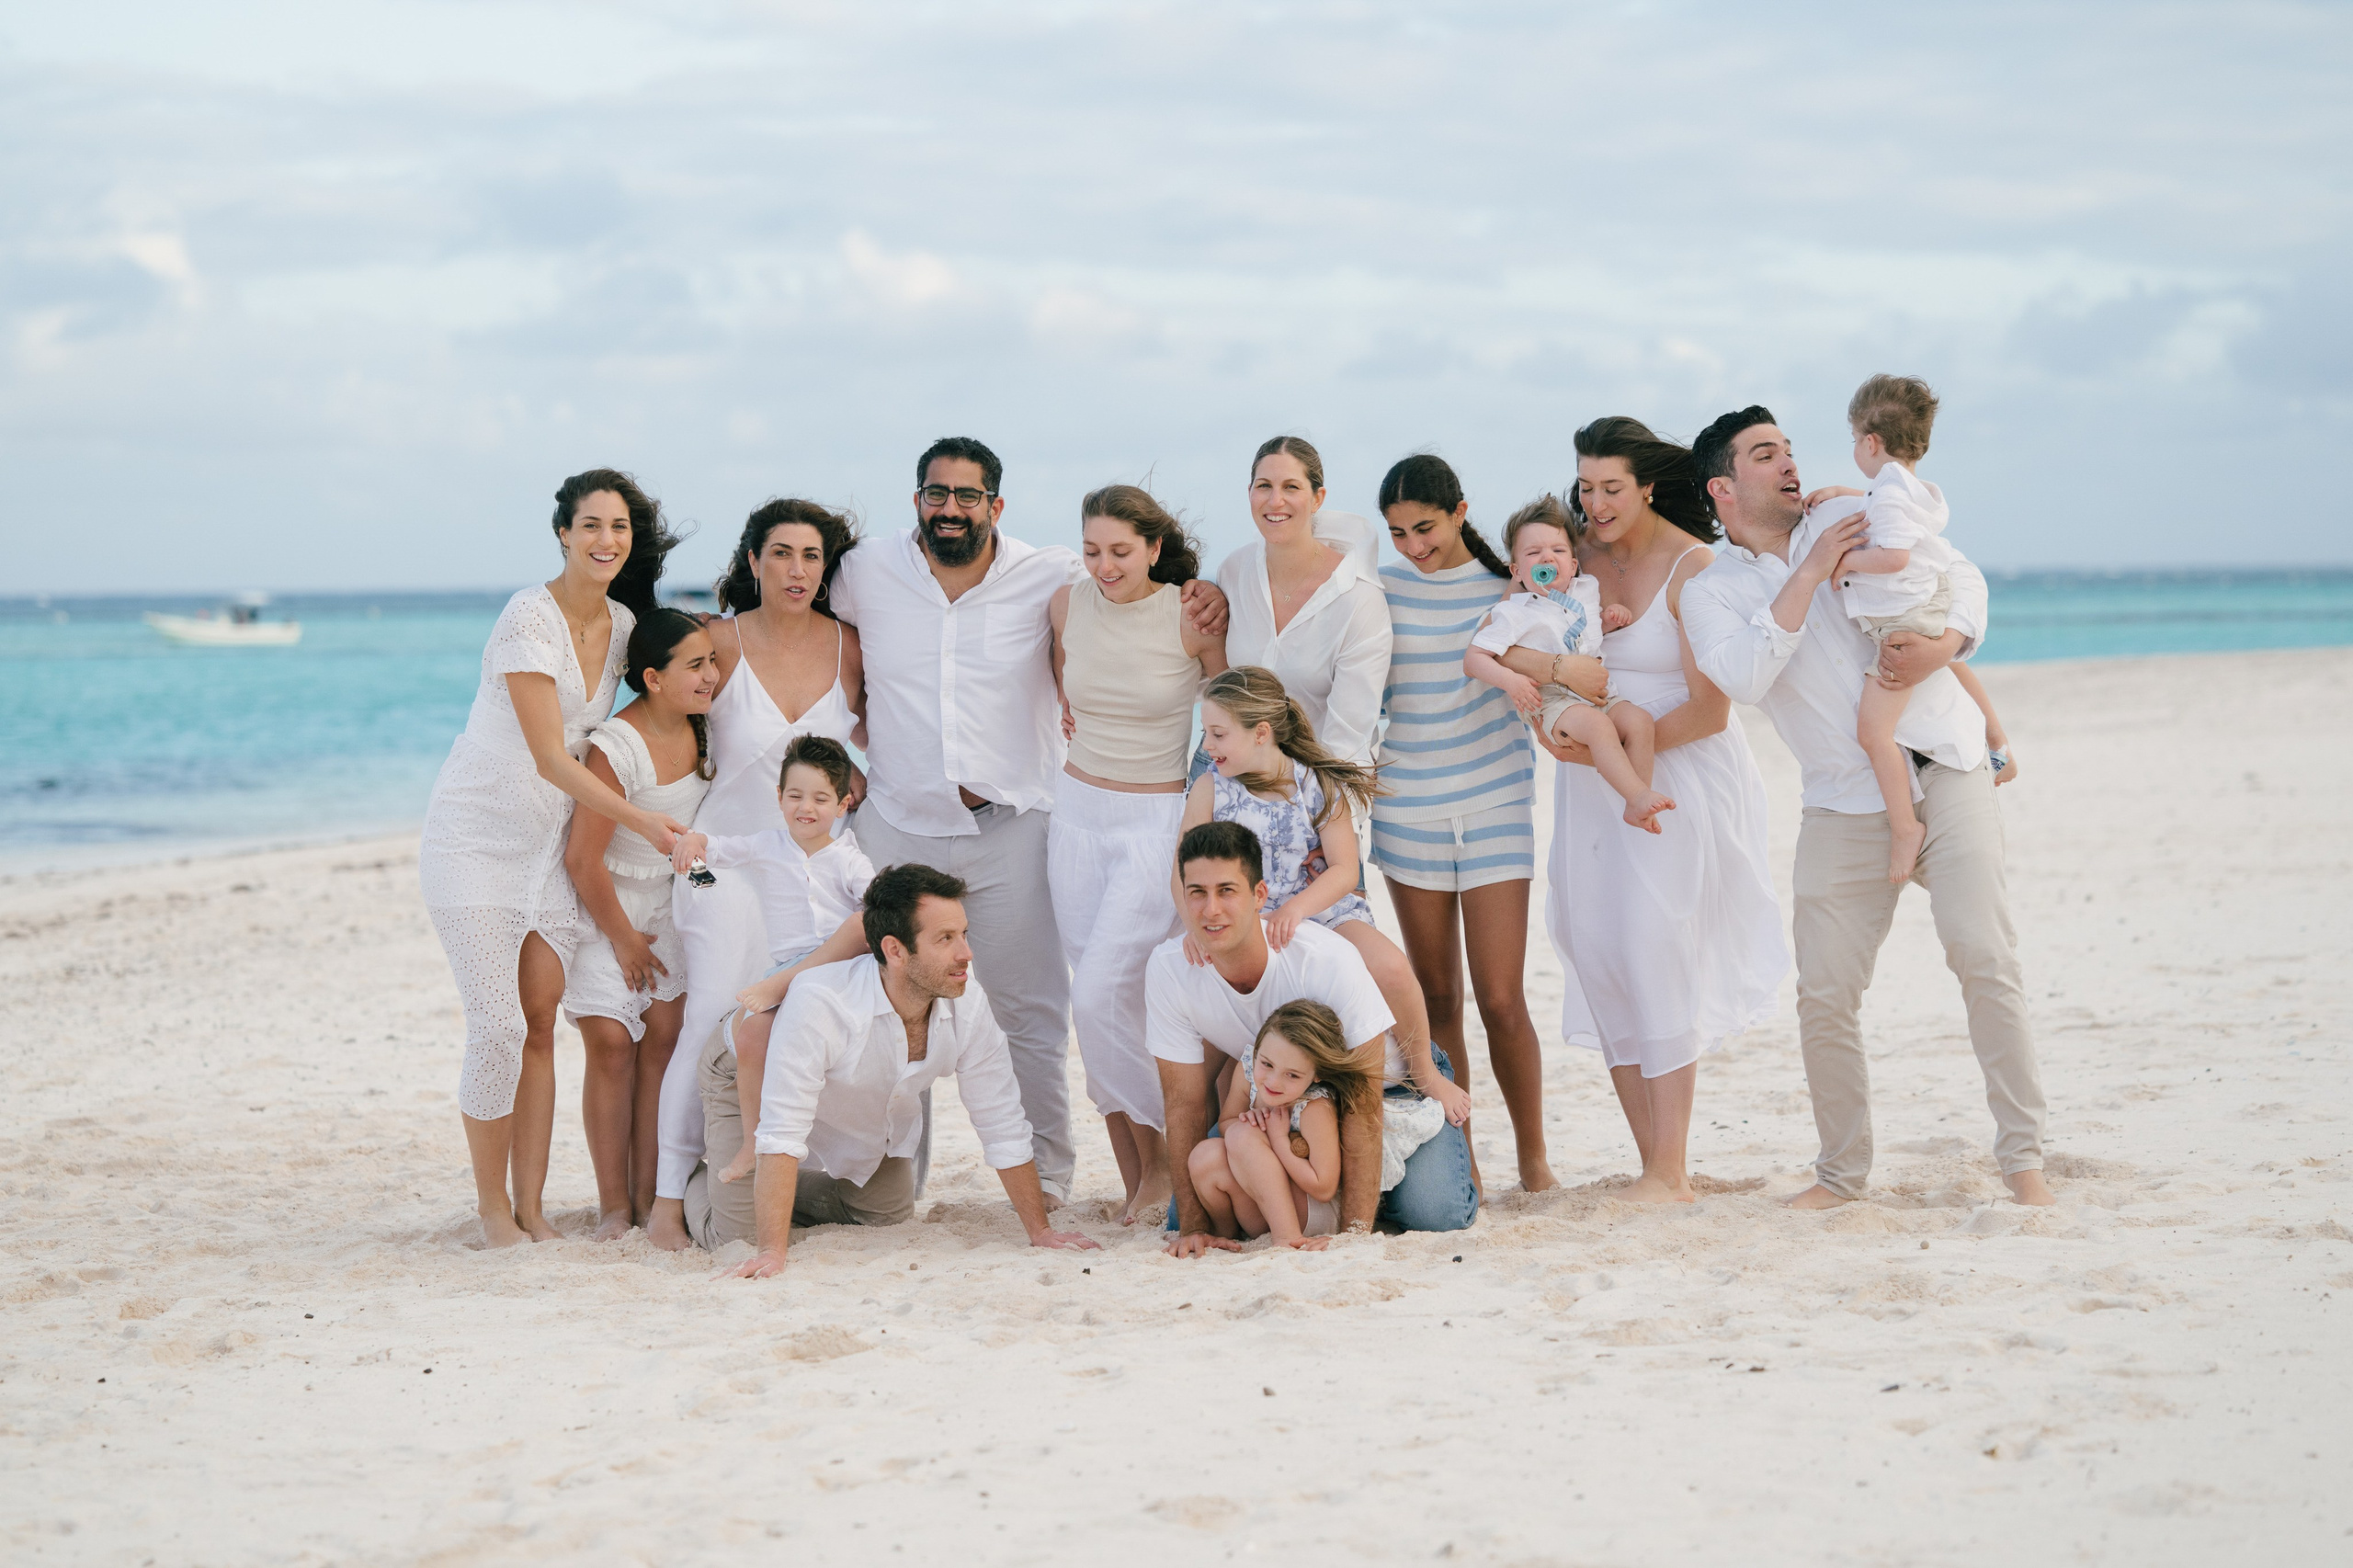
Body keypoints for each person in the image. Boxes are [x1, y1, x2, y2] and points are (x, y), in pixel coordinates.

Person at [768, 437, 1226, 1208]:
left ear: (996, 505)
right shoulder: (865, 571)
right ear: (917, 499)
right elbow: (799, 622)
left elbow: (1132, 598)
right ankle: (890, 1182)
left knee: (1030, 1013)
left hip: (1016, 826)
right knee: (885, 1002)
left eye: (967, 495)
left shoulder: (1052, 575)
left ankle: (1046, 1179)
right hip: (897, 825)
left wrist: (1205, 592)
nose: (950, 508)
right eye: (936, 493)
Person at [1680, 405, 2051, 1208]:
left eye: (1788, 448)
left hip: (1945, 763)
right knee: (1825, 994)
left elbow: (1962, 576)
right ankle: (1841, 1177)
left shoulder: (1851, 515)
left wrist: (1947, 644)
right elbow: (1741, 678)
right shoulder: (1712, 592)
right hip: (1842, 802)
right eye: (1765, 454)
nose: (1789, 462)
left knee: (1984, 956)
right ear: (1723, 487)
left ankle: (2025, 1165)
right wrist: (1808, 574)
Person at [1493, 419, 1786, 1205]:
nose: (1594, 504)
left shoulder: (1696, 568)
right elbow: (1506, 638)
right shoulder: (1571, 558)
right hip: (1592, 782)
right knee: (1602, 950)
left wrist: (1615, 753)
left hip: (1672, 777)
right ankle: (1654, 1161)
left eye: (1611, 488)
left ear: (1648, 487)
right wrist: (1552, 692)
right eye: (1585, 487)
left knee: (1658, 948)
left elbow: (1711, 711)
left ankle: (1670, 1168)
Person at [418, 468, 689, 1247]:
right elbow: (547, 755)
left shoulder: (626, 624)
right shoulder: (526, 619)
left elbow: (672, 674)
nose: (607, 539)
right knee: (498, 1026)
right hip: (475, 840)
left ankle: (532, 1210)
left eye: (620, 527)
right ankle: (492, 1211)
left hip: (547, 850)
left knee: (539, 1023)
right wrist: (640, 818)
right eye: (592, 525)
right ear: (563, 534)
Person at [646, 498, 865, 1251]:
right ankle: (666, 1202)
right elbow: (657, 716)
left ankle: (805, 1180)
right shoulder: (719, 641)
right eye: (781, 553)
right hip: (717, 865)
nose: (796, 570)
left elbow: (877, 739)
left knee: (810, 1021)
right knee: (712, 1010)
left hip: (810, 875)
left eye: (811, 556)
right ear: (753, 561)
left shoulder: (849, 646)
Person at [711, 864, 1100, 1273]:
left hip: (849, 1094)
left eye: (964, 934)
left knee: (886, 1211)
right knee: (737, 1238)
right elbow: (781, 1131)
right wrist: (773, 1253)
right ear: (895, 951)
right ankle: (698, 1184)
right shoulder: (822, 1002)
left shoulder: (967, 1003)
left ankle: (780, 1194)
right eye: (945, 939)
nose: (966, 954)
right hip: (747, 1072)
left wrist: (1041, 1232)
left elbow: (1002, 1121)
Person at [1372, 455, 1564, 1191]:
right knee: (1438, 998)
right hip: (1407, 810)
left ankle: (1534, 1163)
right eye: (1398, 534)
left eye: (1425, 527)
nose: (1414, 546)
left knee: (1502, 998)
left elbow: (1578, 630)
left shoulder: (1509, 589)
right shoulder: (1380, 591)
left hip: (1495, 803)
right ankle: (1467, 1168)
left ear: (1459, 511)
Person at [1151, 822, 1477, 1255]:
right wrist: (1193, 1227)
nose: (1211, 910)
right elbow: (1183, 1102)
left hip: (1388, 1087)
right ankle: (1343, 1190)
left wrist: (1354, 1233)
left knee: (1435, 1213)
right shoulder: (1170, 969)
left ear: (1259, 896)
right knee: (1189, 1206)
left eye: (1227, 891)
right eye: (1197, 893)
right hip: (1284, 1101)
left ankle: (1374, 1193)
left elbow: (1362, 1099)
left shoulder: (1322, 958)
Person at [1045, 483, 1227, 1224]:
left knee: (1102, 997)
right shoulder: (1066, 605)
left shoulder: (1191, 615)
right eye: (1092, 550)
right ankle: (1141, 1181)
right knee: (1097, 1004)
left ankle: (1171, 1162)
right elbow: (1062, 677)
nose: (1105, 566)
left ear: (1154, 547)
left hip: (1153, 823)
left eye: (1120, 551)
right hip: (1073, 818)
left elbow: (1227, 725)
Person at [1180, 667, 1463, 1128]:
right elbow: (1182, 866)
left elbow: (1345, 869)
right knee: (1217, 1035)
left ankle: (1425, 1072)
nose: (1207, 746)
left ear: (1261, 733)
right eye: (1205, 733)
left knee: (1392, 968)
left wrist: (1297, 908)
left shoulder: (1317, 784)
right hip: (1246, 921)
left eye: (1218, 734)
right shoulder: (1211, 788)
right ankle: (1216, 1134)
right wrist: (1196, 927)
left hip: (1321, 909)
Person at [559, 608, 718, 1241]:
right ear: (653, 678)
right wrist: (624, 940)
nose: (712, 675)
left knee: (663, 1045)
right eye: (696, 665)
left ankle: (652, 1199)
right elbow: (582, 858)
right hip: (608, 905)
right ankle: (613, 1208)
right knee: (609, 1045)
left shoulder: (706, 730)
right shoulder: (616, 746)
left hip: (670, 905)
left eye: (713, 661)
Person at [669, 733, 875, 1187]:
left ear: (843, 804)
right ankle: (752, 1140)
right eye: (795, 795)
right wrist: (694, 847)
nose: (806, 807)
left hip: (841, 967)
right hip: (786, 972)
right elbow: (715, 850)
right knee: (751, 1032)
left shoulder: (849, 859)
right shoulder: (767, 845)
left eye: (821, 798)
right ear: (779, 797)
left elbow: (875, 902)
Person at [1833, 374, 2005, 882]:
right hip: (1928, 606)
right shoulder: (1914, 489)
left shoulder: (1888, 494)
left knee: (1873, 733)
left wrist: (1845, 561)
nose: (1853, 450)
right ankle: (1998, 744)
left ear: (1870, 442)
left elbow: (1894, 556)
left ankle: (1906, 827)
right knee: (1945, 664)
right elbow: (1893, 511)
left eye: (1853, 440)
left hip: (1903, 622)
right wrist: (1848, 494)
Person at [1465, 495, 1674, 832]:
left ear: (1574, 565)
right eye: (1534, 553)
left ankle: (1638, 797)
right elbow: (1473, 659)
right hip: (1553, 700)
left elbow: (1583, 636)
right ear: (1517, 572)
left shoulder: (1585, 591)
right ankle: (1635, 796)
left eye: (1558, 551)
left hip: (1599, 693)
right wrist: (1510, 681)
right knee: (1599, 728)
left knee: (1640, 722)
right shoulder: (1515, 612)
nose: (1547, 557)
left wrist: (1608, 621)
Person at [1215, 436, 1393, 767]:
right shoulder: (1234, 571)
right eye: (1264, 486)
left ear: (1317, 498)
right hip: (1235, 777)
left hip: (1318, 782)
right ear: (1250, 492)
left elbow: (1348, 741)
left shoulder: (1358, 597)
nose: (1275, 500)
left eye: (1291, 487)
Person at [1187, 1001, 1375, 1248]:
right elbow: (1227, 1121)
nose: (1273, 1082)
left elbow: (1324, 1188)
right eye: (1267, 1064)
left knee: (1242, 1136)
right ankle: (1226, 1234)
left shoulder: (1315, 1107)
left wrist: (1278, 1140)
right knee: (1204, 1155)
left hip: (1310, 1211)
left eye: (1292, 1075)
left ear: (1317, 1074)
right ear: (1257, 1051)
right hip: (1267, 1200)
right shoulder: (1248, 1072)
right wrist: (1248, 1120)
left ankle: (1288, 1238)